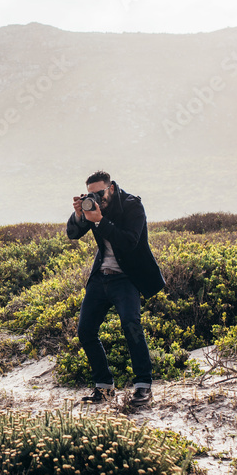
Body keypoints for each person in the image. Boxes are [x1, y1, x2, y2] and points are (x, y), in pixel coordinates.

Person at [67, 171, 165, 408]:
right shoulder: (93, 206)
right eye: (91, 194)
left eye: (99, 193)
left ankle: (143, 385)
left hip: (127, 277)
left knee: (131, 326)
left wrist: (100, 220)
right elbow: (73, 234)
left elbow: (129, 241)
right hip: (101, 276)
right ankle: (104, 386)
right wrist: (80, 214)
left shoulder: (132, 206)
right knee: (85, 331)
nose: (96, 197)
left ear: (110, 188)